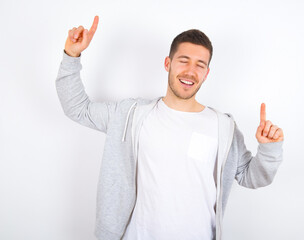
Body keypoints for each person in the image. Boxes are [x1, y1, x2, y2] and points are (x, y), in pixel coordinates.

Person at [56, 15, 284, 240]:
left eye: (200, 65)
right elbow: (78, 108)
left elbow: (251, 176)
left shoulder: (223, 127)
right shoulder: (130, 115)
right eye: (184, 60)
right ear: (168, 63)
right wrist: (72, 55)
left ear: (206, 73)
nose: (190, 71)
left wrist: (269, 150)